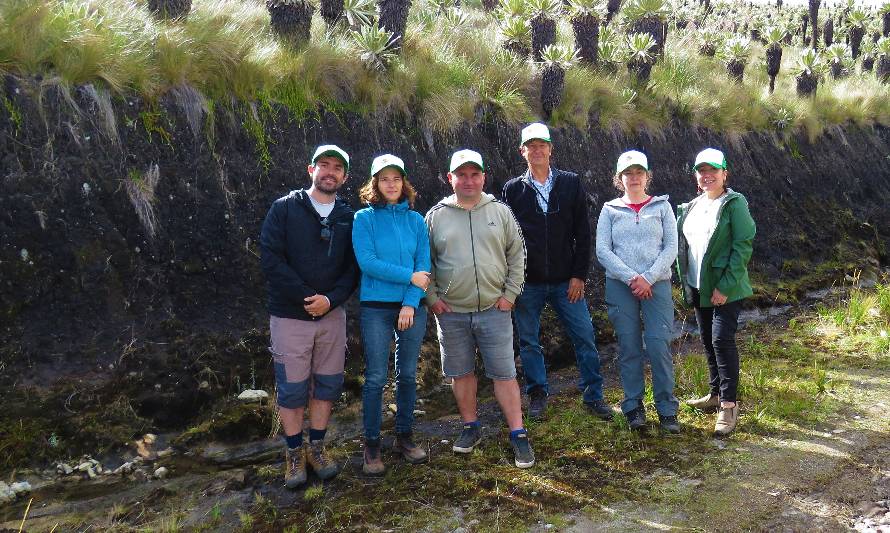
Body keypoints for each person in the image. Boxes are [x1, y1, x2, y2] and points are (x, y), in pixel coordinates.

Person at [425, 149, 534, 469]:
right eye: (462, 174)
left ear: (484, 177)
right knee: (461, 373)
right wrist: (432, 299)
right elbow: (425, 262)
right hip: (452, 312)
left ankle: (518, 432)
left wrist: (510, 295)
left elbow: (517, 255)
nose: (468, 180)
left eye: (475, 174)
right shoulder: (435, 216)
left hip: (494, 309)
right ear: (450, 178)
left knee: (504, 373)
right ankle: (471, 427)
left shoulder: (500, 211)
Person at [259, 144, 359, 488]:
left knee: (328, 384)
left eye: (336, 167)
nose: (329, 172)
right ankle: (292, 453)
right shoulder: (285, 209)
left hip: (332, 317)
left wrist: (330, 300)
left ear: (344, 177)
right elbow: (271, 259)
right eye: (323, 165)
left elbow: (353, 268)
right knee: (292, 388)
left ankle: (317, 447)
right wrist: (307, 297)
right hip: (290, 316)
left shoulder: (348, 216)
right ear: (310, 170)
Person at [502, 122, 612, 420]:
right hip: (528, 283)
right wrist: (513, 280)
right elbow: (506, 238)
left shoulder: (571, 182)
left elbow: (582, 233)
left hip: (567, 281)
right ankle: (537, 395)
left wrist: (579, 275)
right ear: (522, 151)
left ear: (551, 149)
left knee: (585, 336)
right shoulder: (513, 189)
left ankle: (593, 395)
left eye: (542, 145)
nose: (537, 150)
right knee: (528, 341)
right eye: (531, 146)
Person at [353, 154, 431, 476]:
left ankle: (404, 436)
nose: (391, 184)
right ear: (375, 183)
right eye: (384, 179)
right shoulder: (363, 218)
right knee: (374, 378)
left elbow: (423, 268)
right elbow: (367, 262)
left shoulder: (416, 220)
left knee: (408, 376)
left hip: (411, 307)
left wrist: (411, 302)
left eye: (396, 178)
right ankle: (372, 444)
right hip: (376, 308)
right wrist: (408, 277)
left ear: (404, 182)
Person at [596, 150, 680, 433]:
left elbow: (671, 248)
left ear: (647, 176)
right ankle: (634, 406)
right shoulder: (609, 210)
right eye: (628, 173)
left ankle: (667, 409)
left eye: (638, 172)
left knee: (658, 345)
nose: (634, 178)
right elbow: (603, 251)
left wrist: (648, 277)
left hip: (658, 285)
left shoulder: (662, 207)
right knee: (629, 348)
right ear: (619, 179)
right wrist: (633, 278)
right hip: (621, 287)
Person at [677, 148, 756, 437]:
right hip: (700, 286)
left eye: (713, 170)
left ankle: (729, 405)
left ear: (725, 173)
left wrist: (725, 286)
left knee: (722, 340)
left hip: (726, 289)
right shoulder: (692, 206)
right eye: (701, 171)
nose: (707, 175)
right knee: (709, 343)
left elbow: (743, 245)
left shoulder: (734, 203)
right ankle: (714, 394)